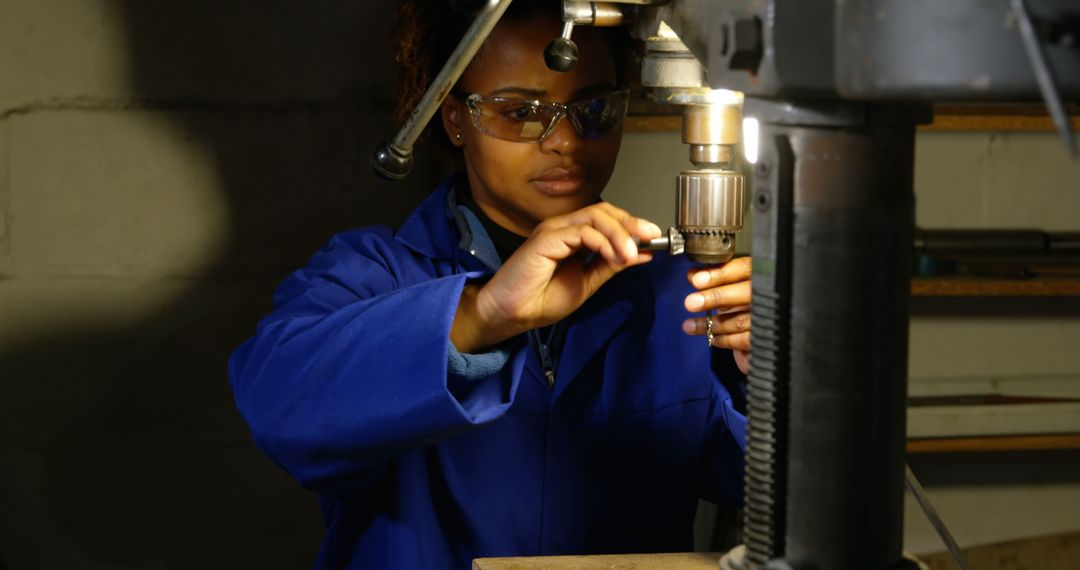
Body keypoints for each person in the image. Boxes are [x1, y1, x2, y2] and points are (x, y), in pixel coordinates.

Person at [229, 1, 752, 568]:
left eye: (594, 108)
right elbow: (280, 410)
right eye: (521, 111)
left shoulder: (679, 296)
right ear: (454, 118)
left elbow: (765, 485)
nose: (565, 141)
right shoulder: (372, 274)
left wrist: (777, 379)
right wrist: (481, 316)